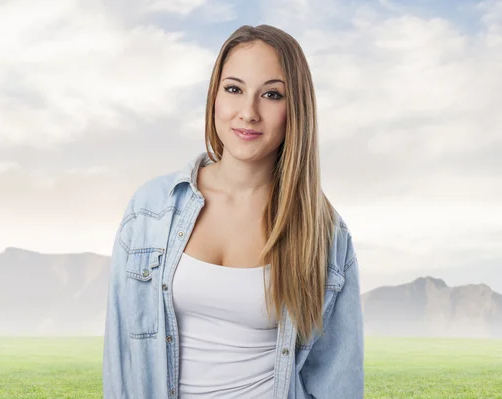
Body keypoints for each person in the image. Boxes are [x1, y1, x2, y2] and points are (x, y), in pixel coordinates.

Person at [103, 24, 364, 398]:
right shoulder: (150, 210)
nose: (248, 112)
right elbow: (122, 360)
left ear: (296, 110)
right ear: (214, 97)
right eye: (234, 89)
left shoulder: (324, 234)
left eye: (272, 94)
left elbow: (338, 380)